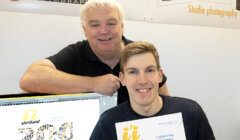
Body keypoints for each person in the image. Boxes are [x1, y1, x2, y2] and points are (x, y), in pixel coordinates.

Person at [19, 0, 169, 104]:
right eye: (95, 25)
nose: (103, 31)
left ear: (122, 26)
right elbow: (29, 79)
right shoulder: (76, 53)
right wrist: (93, 84)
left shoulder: (140, 54)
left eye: (111, 23)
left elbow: (165, 102)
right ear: (85, 30)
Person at [90, 41, 215, 140]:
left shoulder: (191, 113)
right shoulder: (108, 124)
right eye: (133, 72)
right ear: (123, 79)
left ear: (160, 75)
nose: (142, 80)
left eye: (149, 70)